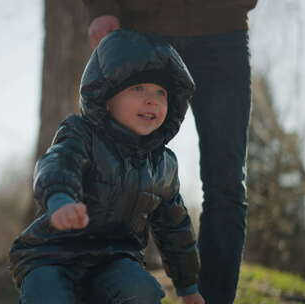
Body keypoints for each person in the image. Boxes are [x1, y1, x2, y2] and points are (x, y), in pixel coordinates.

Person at [9, 29, 204, 304]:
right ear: (108, 98)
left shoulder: (164, 164)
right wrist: (61, 198)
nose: (152, 99)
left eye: (161, 92)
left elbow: (176, 229)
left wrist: (188, 286)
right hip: (52, 256)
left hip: (114, 260)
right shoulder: (81, 133)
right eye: (138, 88)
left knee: (141, 291)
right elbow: (59, 161)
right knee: (48, 294)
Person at [81, 1, 257, 303]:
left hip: (222, 30)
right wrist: (102, 6)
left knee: (225, 183)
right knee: (111, 167)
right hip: (143, 29)